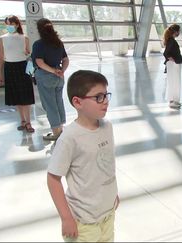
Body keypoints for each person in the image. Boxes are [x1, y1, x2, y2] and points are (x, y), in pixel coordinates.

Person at [47, 70, 119, 242]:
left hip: (107, 215)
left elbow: (106, 165)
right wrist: (66, 218)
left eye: (106, 95)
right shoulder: (69, 138)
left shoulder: (107, 127)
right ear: (77, 102)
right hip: (83, 224)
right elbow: (53, 179)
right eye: (98, 97)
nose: (105, 102)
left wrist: (112, 194)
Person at [32, 18, 69, 141]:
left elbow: (39, 62)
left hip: (45, 77)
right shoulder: (58, 43)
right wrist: (61, 71)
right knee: (58, 102)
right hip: (59, 77)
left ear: (39, 30)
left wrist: (53, 71)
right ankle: (61, 129)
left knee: (49, 105)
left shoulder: (38, 44)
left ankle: (56, 132)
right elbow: (66, 60)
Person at [0, 15, 35, 133]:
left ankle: (28, 122)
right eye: (7, 24)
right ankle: (22, 121)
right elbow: (1, 57)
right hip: (9, 67)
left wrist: (31, 72)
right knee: (16, 96)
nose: (9, 26)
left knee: (26, 96)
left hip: (23, 66)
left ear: (17, 24)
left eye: (11, 24)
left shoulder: (25, 38)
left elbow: (29, 55)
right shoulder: (2, 39)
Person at [163, 24, 182, 108]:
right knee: (173, 82)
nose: (179, 33)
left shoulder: (171, 40)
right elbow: (166, 53)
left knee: (175, 82)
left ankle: (174, 100)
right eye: (178, 31)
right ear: (175, 31)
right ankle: (171, 101)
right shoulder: (171, 41)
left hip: (175, 64)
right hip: (173, 65)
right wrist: (173, 60)